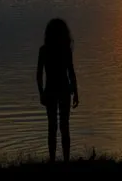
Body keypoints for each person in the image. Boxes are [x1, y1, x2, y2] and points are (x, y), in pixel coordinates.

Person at [36, 18, 79, 163]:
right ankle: (65, 160)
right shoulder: (65, 50)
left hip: (51, 91)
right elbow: (71, 72)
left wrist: (41, 92)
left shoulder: (44, 50)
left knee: (52, 127)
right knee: (63, 126)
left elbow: (38, 75)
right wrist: (76, 92)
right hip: (63, 90)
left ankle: (53, 160)